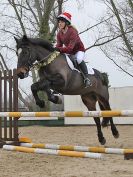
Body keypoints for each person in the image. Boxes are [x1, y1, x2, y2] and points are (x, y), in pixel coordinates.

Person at [55, 12, 92, 87]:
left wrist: (58, 49)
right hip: (70, 52)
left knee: (78, 59)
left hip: (79, 50)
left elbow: (69, 48)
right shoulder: (59, 34)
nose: (59, 23)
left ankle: (87, 78)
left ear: (67, 23)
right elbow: (59, 46)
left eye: (62, 22)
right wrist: (54, 51)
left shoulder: (73, 31)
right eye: (59, 22)